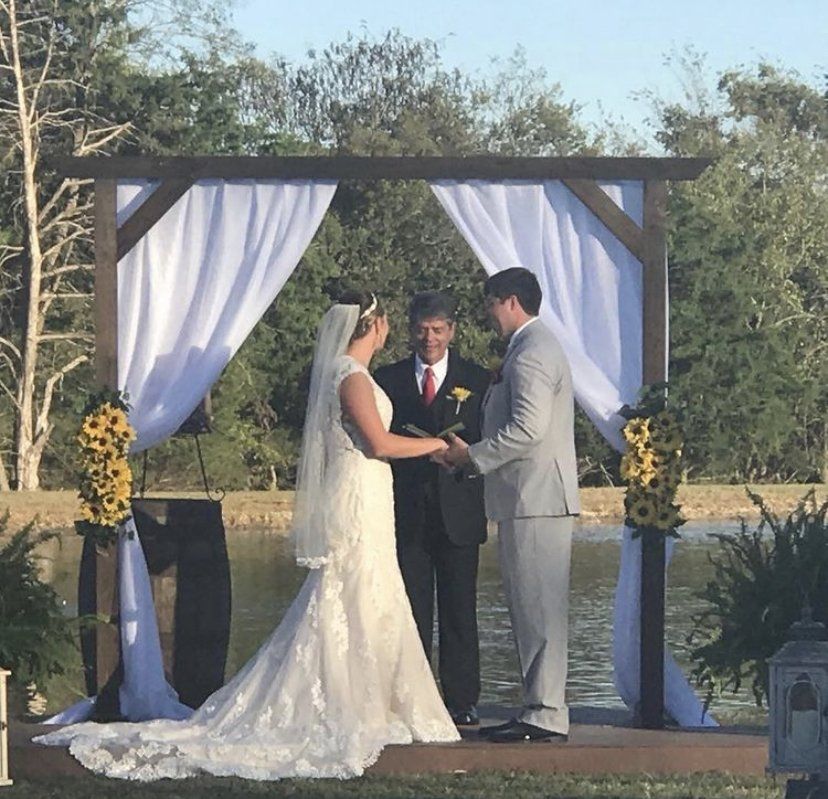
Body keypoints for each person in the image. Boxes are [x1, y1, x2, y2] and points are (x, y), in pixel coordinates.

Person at [35, 291, 460, 780]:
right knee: (354, 588)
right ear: (376, 326)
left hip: (368, 492)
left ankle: (379, 699)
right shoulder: (352, 377)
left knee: (370, 590)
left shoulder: (350, 375)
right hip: (359, 498)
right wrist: (437, 446)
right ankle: (352, 702)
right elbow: (378, 442)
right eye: (384, 322)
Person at [440, 267, 580, 743]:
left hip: (534, 497)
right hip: (532, 496)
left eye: (491, 304)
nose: (488, 313)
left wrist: (470, 456)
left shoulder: (532, 354)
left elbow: (528, 429)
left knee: (538, 609)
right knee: (532, 609)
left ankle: (544, 713)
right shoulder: (531, 348)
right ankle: (540, 706)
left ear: (512, 302)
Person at [374, 292, 490, 727]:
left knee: (461, 609)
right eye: (422, 330)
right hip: (407, 510)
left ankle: (462, 701)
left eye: (438, 330)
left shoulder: (477, 378)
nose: (430, 339)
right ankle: (413, 698)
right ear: (410, 331)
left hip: (460, 508)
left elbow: (489, 437)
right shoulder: (387, 378)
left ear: (452, 331)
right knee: (412, 608)